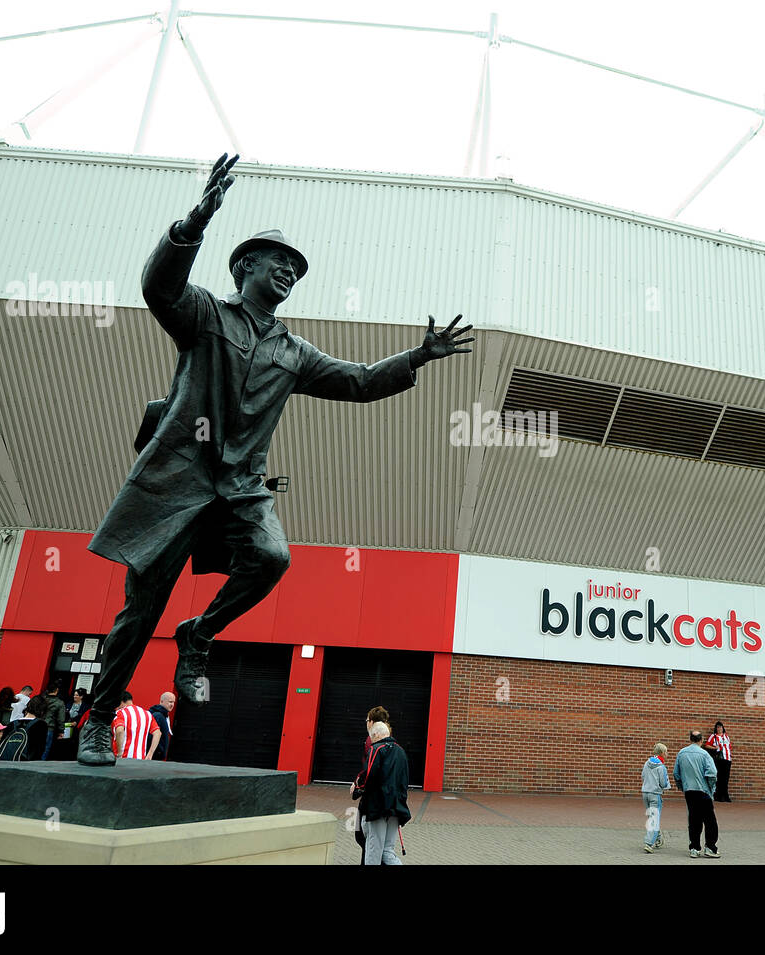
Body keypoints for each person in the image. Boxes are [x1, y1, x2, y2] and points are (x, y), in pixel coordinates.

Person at [77, 154, 473, 765]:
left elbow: (361, 381)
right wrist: (193, 223)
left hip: (239, 490)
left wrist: (416, 358)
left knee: (271, 556)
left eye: (295, 267)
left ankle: (199, 633)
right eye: (277, 261)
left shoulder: (294, 352)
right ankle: (99, 719)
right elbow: (159, 287)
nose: (288, 270)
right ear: (244, 268)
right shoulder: (205, 315)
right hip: (175, 485)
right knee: (140, 610)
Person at [355, 721, 411, 865]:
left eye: (372, 738)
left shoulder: (376, 749)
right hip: (396, 807)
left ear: (376, 735)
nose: (371, 742)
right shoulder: (401, 751)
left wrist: (357, 786)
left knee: (374, 850)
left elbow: (368, 775)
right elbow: (404, 781)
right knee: (387, 850)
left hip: (377, 807)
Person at [672, 730, 718, 858]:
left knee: (693, 819)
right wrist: (711, 788)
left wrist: (683, 787)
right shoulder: (704, 754)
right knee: (710, 821)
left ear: (690, 739)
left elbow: (676, 774)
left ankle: (694, 848)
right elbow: (712, 773)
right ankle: (710, 847)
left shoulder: (682, 753)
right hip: (703, 791)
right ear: (701, 740)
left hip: (689, 791)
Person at [0, 694, 50, 761]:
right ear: (43, 711)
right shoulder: (40, 725)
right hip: (24, 765)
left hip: (4, 762)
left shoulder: (12, 724)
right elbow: (39, 750)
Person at [112, 691, 161, 760]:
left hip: (123, 758)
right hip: (140, 759)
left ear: (120, 701)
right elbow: (157, 733)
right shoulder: (147, 714)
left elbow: (120, 731)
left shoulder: (120, 713)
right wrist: (150, 754)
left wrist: (120, 753)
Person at [641, 743, 670, 853]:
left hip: (645, 793)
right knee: (654, 818)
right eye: (666, 752)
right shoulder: (661, 766)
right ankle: (649, 843)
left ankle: (657, 837)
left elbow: (643, 776)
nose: (667, 754)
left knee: (651, 816)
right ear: (662, 753)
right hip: (655, 794)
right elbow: (663, 782)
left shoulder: (647, 763)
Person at [704, 720, 732, 802]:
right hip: (719, 759)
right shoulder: (713, 736)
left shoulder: (726, 736)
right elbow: (707, 745)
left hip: (727, 759)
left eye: (720, 727)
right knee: (719, 777)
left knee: (726, 778)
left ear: (723, 728)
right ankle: (718, 796)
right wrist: (714, 748)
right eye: (718, 727)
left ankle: (725, 795)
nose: (719, 729)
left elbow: (729, 746)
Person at [41, 682, 69, 760]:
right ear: (57, 690)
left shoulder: (41, 699)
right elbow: (61, 719)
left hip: (38, 725)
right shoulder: (59, 703)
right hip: (49, 727)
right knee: (46, 748)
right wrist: (61, 731)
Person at [149, 692, 176, 761]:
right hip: (154, 757)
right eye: (170, 702)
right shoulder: (158, 716)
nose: (172, 705)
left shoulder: (163, 716)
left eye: (173, 702)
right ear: (161, 701)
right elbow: (151, 736)